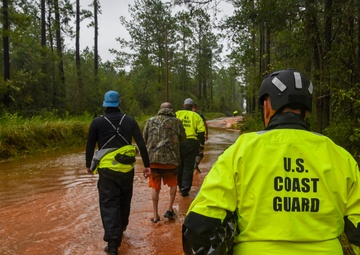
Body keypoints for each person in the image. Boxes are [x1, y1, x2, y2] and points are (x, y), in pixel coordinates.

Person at [182, 69, 360, 255]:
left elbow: (198, 225)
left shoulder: (242, 150)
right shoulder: (340, 156)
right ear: (306, 112)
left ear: (267, 106)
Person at [85, 90, 151, 255]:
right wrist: (147, 165)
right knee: (124, 198)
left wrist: (88, 165)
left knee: (109, 203)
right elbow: (141, 144)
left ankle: (113, 244)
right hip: (127, 169)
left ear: (104, 104)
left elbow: (90, 145)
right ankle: (121, 229)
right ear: (119, 104)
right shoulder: (129, 121)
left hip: (107, 170)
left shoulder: (97, 122)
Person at [143, 102, 186, 223]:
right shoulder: (177, 122)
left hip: (153, 161)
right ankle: (169, 209)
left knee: (155, 187)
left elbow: (144, 139)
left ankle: (155, 216)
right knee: (173, 184)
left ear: (160, 109)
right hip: (171, 161)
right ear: (172, 110)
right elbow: (183, 138)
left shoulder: (150, 121)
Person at [176, 98, 206, 197]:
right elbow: (201, 132)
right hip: (191, 143)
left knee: (179, 165)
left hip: (178, 143)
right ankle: (185, 189)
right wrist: (201, 146)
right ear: (192, 106)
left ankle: (179, 186)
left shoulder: (177, 114)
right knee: (188, 167)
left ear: (184, 105)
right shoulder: (196, 116)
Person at [192, 103, 208, 173]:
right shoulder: (200, 115)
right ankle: (195, 165)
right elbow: (205, 125)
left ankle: (193, 165)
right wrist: (206, 134)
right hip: (199, 136)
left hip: (191, 137)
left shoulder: (189, 115)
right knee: (200, 152)